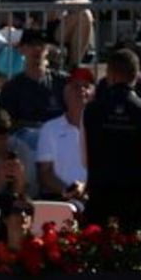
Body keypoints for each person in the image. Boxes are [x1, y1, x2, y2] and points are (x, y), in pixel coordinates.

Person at [81, 47, 141, 231]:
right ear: (137, 75)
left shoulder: (90, 111)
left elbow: (85, 160)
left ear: (109, 75)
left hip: (100, 202)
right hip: (138, 204)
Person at [35, 66, 94, 203]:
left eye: (86, 86)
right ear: (65, 93)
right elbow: (45, 173)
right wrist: (70, 192)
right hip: (61, 200)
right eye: (75, 86)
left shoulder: (101, 129)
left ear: (94, 94)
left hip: (95, 200)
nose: (81, 90)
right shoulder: (50, 129)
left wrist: (86, 190)